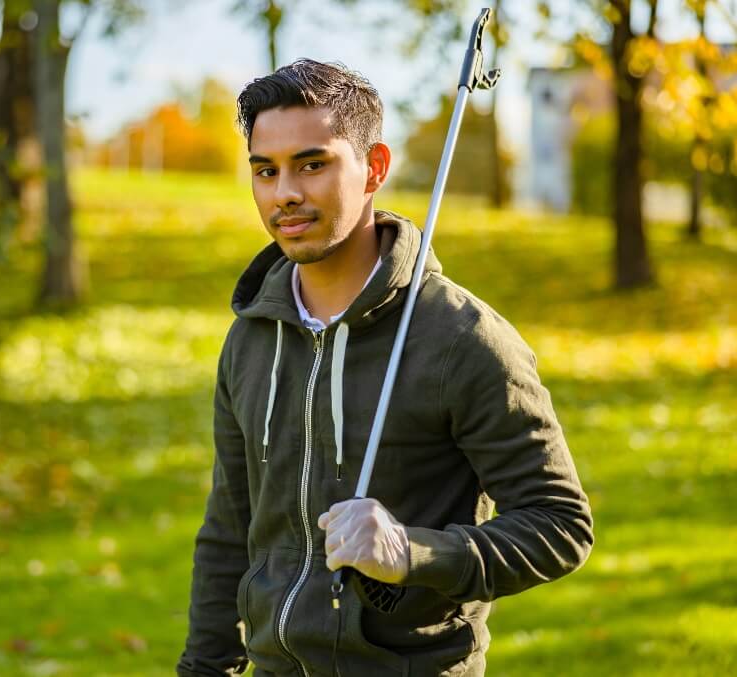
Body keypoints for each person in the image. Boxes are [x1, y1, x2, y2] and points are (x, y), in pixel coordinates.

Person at [176, 59, 593, 677]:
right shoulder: (250, 339)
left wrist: (413, 552)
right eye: (266, 171)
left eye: (312, 164)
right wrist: (203, 668)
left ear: (374, 168)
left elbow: (560, 525)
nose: (285, 192)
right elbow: (229, 525)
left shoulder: (462, 339)